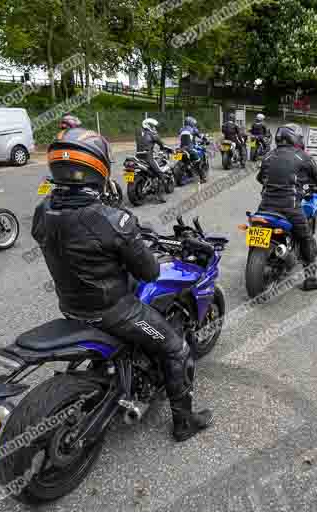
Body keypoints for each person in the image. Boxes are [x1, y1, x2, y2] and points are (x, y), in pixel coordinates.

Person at [31, 128, 213, 442]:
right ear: (97, 168)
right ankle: (184, 423)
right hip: (115, 311)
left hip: (72, 306)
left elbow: (75, 241)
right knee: (178, 349)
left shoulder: (43, 211)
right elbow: (150, 271)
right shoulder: (113, 220)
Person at [256, 123, 317, 291]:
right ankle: (310, 279)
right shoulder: (303, 157)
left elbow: (261, 178)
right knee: (306, 237)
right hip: (289, 208)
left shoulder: (268, 156)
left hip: (264, 207)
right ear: (294, 137)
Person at [136, 118, 171, 203]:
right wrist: (169, 149)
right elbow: (162, 145)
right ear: (148, 126)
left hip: (138, 157)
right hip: (148, 158)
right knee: (161, 174)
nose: (154, 128)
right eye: (153, 126)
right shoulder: (152, 134)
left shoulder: (139, 134)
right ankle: (160, 196)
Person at [179, 116, 206, 183]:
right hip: (189, 149)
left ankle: (188, 171)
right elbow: (201, 136)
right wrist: (205, 139)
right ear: (191, 123)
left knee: (178, 160)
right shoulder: (194, 129)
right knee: (198, 161)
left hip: (180, 149)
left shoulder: (181, 129)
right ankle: (203, 178)